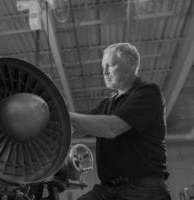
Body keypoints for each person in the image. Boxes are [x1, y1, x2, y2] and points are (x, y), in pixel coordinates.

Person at [70, 43, 171, 200]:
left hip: (143, 187)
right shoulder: (107, 103)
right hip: (108, 188)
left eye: (110, 65)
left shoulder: (148, 92)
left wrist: (66, 115)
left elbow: (112, 127)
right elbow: (78, 127)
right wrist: (54, 118)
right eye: (102, 66)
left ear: (131, 62)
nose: (104, 72)